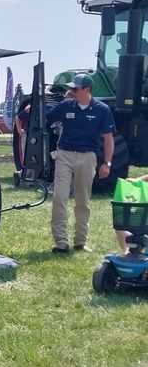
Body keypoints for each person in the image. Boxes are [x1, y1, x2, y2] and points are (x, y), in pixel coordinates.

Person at [47, 73, 115, 253]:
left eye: (75, 89)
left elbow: (109, 138)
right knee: (59, 197)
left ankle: (80, 242)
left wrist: (107, 163)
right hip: (65, 155)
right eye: (71, 88)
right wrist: (32, 109)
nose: (71, 91)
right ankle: (61, 242)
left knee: (83, 200)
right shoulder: (65, 105)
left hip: (87, 157)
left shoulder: (102, 109)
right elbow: (46, 117)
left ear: (87, 89)